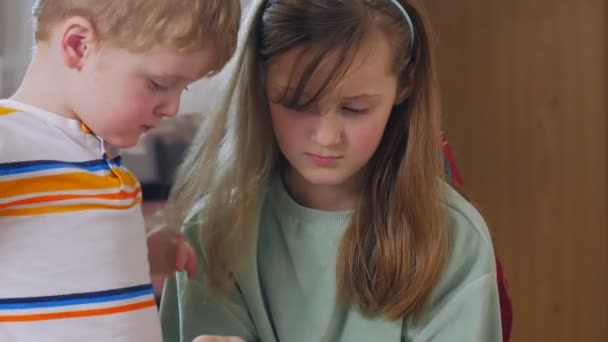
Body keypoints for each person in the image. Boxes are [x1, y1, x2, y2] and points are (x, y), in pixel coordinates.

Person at [160, 0, 502, 341]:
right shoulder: (211, 235)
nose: (326, 138)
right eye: (298, 104)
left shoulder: (454, 237)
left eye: (354, 109)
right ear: (261, 82)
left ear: (404, 86)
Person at [0, 0, 239, 340]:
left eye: (181, 88)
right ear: (78, 45)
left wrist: (138, 256)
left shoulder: (101, 159)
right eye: (159, 83)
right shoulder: (10, 139)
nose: (172, 107)